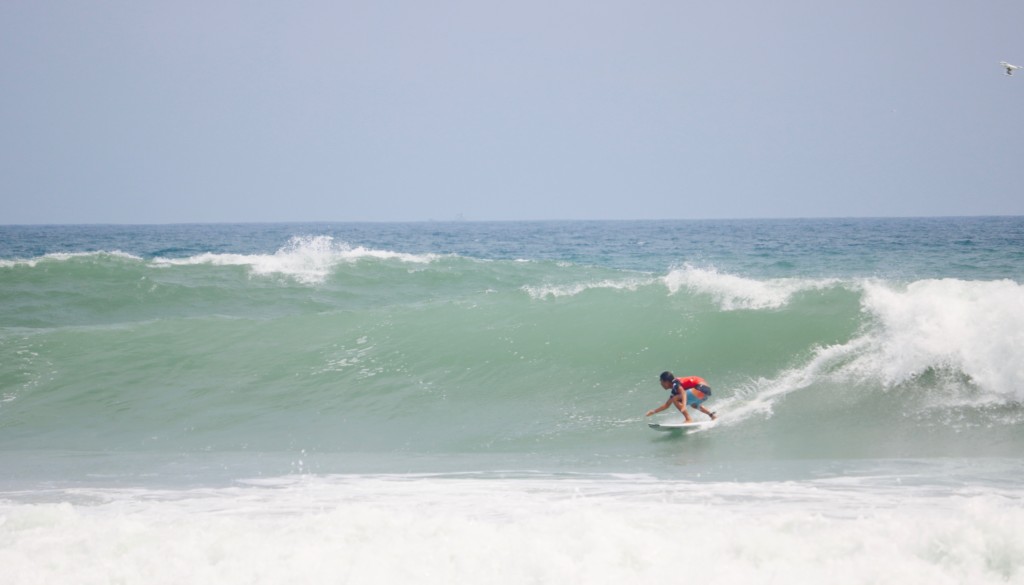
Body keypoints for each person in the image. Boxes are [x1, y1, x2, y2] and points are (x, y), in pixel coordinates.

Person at [645, 371, 717, 422]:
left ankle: (688, 419)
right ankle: (712, 415)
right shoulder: (675, 389)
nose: (661, 384)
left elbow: (683, 393)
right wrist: (653, 411)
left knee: (675, 398)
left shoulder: (675, 383)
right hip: (706, 392)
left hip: (701, 388)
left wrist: (683, 406)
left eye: (661, 382)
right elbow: (667, 405)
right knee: (694, 405)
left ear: (666, 382)